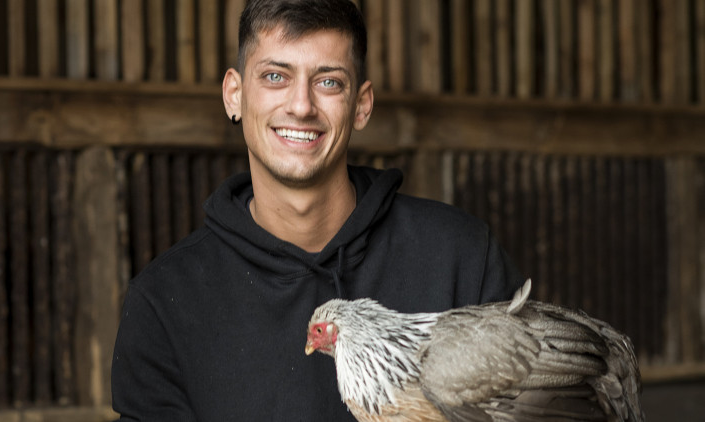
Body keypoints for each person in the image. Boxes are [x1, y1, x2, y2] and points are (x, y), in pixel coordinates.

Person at [111, 0, 524, 420]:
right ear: (234, 95)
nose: (302, 106)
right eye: (275, 76)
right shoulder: (163, 304)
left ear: (361, 105)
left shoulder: (464, 259)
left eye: (328, 82)